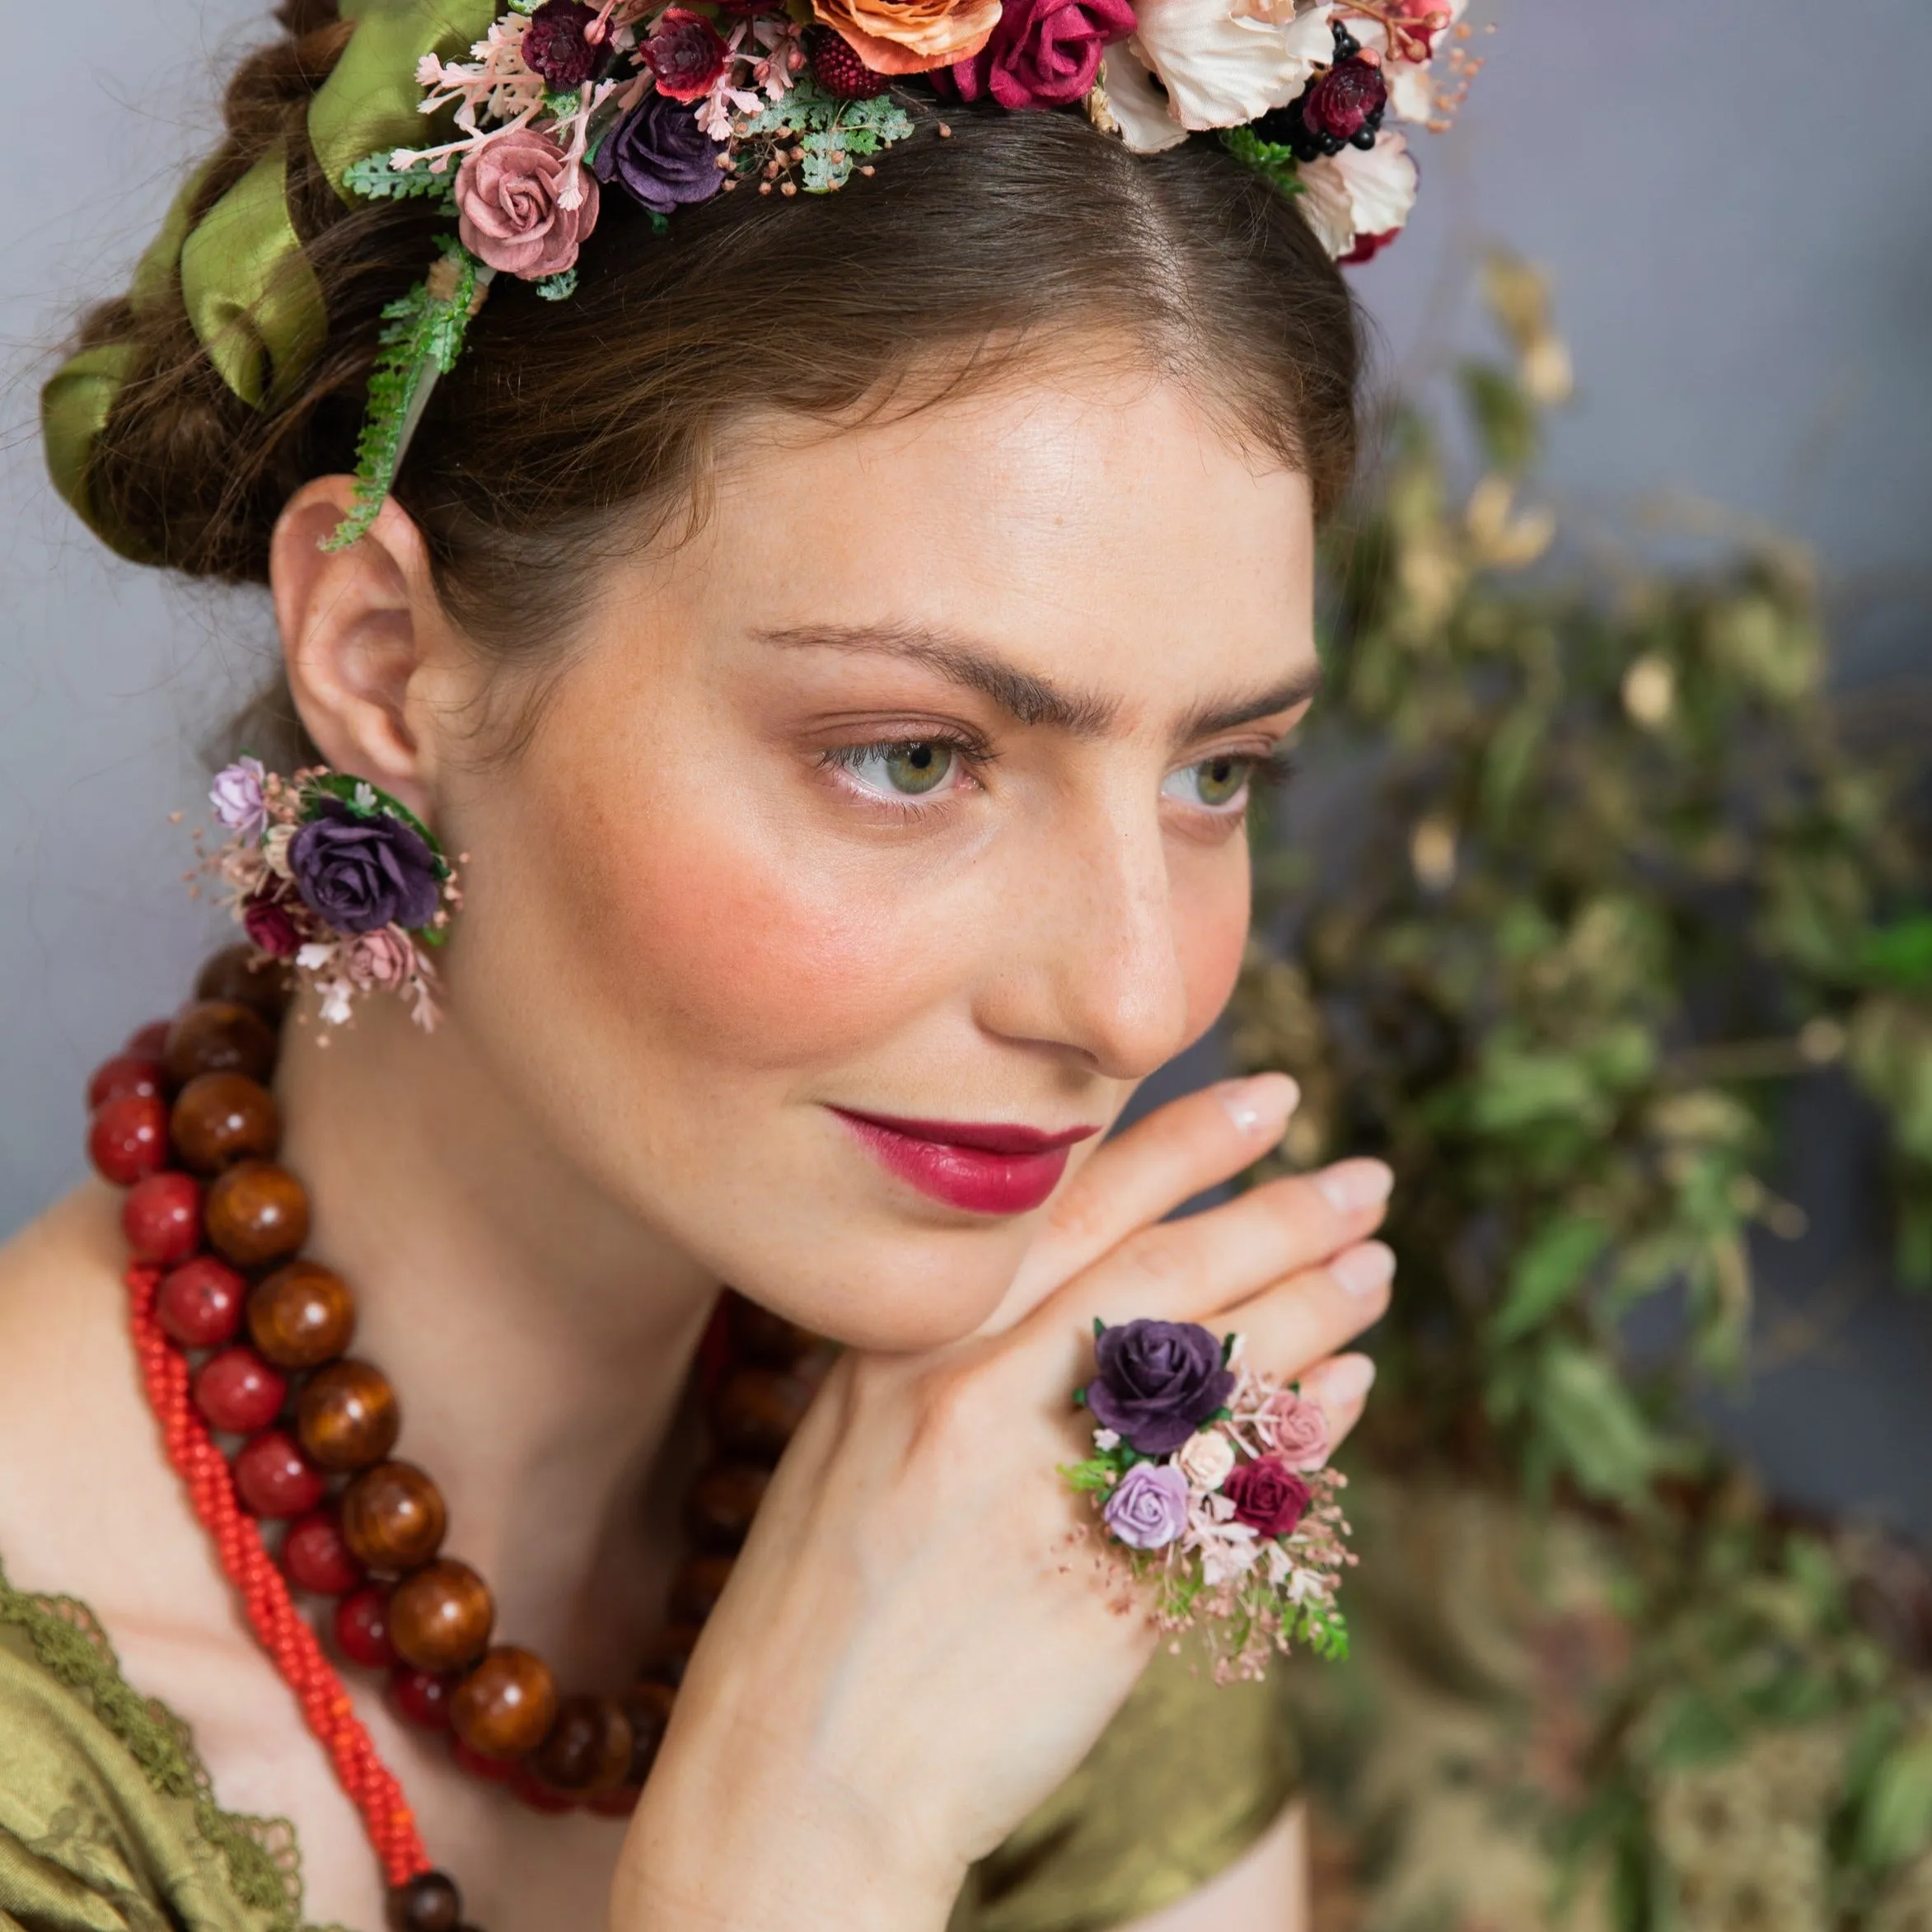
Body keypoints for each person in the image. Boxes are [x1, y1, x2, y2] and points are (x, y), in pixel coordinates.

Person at [1, 0, 1421, 1924]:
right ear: (381, 656)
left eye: (1217, 771)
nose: (1133, 997)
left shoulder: (1005, 1530)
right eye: (910, 754)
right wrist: (795, 1854)